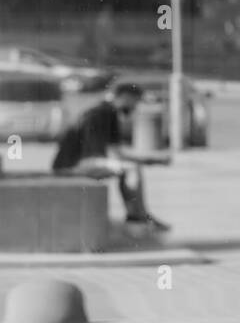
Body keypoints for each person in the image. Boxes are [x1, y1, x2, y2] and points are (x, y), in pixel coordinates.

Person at [52, 82, 170, 231]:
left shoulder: (110, 114)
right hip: (71, 166)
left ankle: (138, 215)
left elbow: (117, 154)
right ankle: (137, 218)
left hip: (85, 162)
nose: (135, 108)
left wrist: (152, 161)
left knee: (130, 168)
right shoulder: (100, 114)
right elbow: (94, 156)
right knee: (130, 169)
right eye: (135, 101)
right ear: (125, 97)